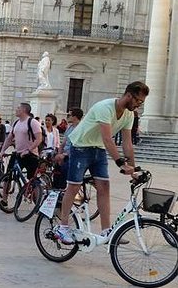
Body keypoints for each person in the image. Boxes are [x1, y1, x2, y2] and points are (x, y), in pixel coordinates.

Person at [53, 82, 147, 245]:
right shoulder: (105, 107)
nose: (139, 105)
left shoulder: (129, 114)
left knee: (104, 187)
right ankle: (63, 227)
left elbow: (127, 144)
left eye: (142, 102)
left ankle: (106, 231)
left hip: (99, 149)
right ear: (129, 95)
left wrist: (133, 169)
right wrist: (120, 163)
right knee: (74, 186)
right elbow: (107, 137)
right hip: (80, 147)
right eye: (138, 101)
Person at [0, 102, 43, 209]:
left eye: (18, 108)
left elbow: (39, 139)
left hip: (30, 155)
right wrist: (2, 151)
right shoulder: (17, 122)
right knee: (8, 176)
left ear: (24, 110)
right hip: (18, 153)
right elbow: (9, 139)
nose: (16, 109)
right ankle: (4, 200)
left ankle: (38, 204)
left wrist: (29, 150)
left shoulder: (33, 123)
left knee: (33, 179)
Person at [52, 108, 84, 190]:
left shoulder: (81, 128)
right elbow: (63, 144)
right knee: (56, 171)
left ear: (75, 117)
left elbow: (77, 145)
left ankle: (62, 191)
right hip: (64, 154)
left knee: (64, 170)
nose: (67, 116)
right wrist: (59, 154)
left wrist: (64, 155)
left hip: (73, 155)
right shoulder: (69, 127)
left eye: (69, 115)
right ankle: (55, 190)